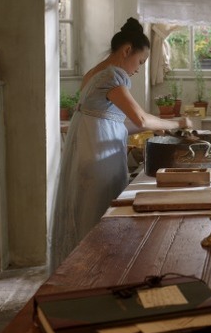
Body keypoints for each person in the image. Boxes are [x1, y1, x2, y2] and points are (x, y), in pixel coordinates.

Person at [49, 18, 192, 274]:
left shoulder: (93, 75)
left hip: (91, 153)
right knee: (97, 221)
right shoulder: (113, 76)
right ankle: (93, 275)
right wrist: (177, 121)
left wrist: (155, 126)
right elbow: (139, 117)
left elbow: (117, 124)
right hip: (97, 161)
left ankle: (88, 274)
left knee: (89, 218)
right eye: (140, 61)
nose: (138, 69)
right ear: (127, 50)